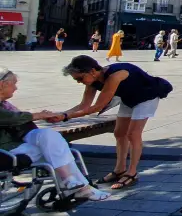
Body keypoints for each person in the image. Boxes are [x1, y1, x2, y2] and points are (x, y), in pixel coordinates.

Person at [55, 55, 172, 190]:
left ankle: (132, 172)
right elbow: (84, 104)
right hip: (129, 98)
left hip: (147, 96)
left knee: (133, 134)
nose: (79, 82)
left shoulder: (115, 76)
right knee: (119, 133)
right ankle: (120, 169)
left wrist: (65, 116)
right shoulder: (92, 81)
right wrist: (60, 114)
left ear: (92, 71)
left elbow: (97, 107)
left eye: (80, 78)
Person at [0, 68, 109, 201]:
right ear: (2, 85)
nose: (16, 88)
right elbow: (11, 118)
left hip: (18, 140)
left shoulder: (4, 104)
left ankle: (70, 181)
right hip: (7, 149)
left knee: (51, 136)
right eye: (13, 83)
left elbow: (15, 117)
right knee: (55, 148)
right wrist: (38, 115)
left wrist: (39, 115)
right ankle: (81, 187)